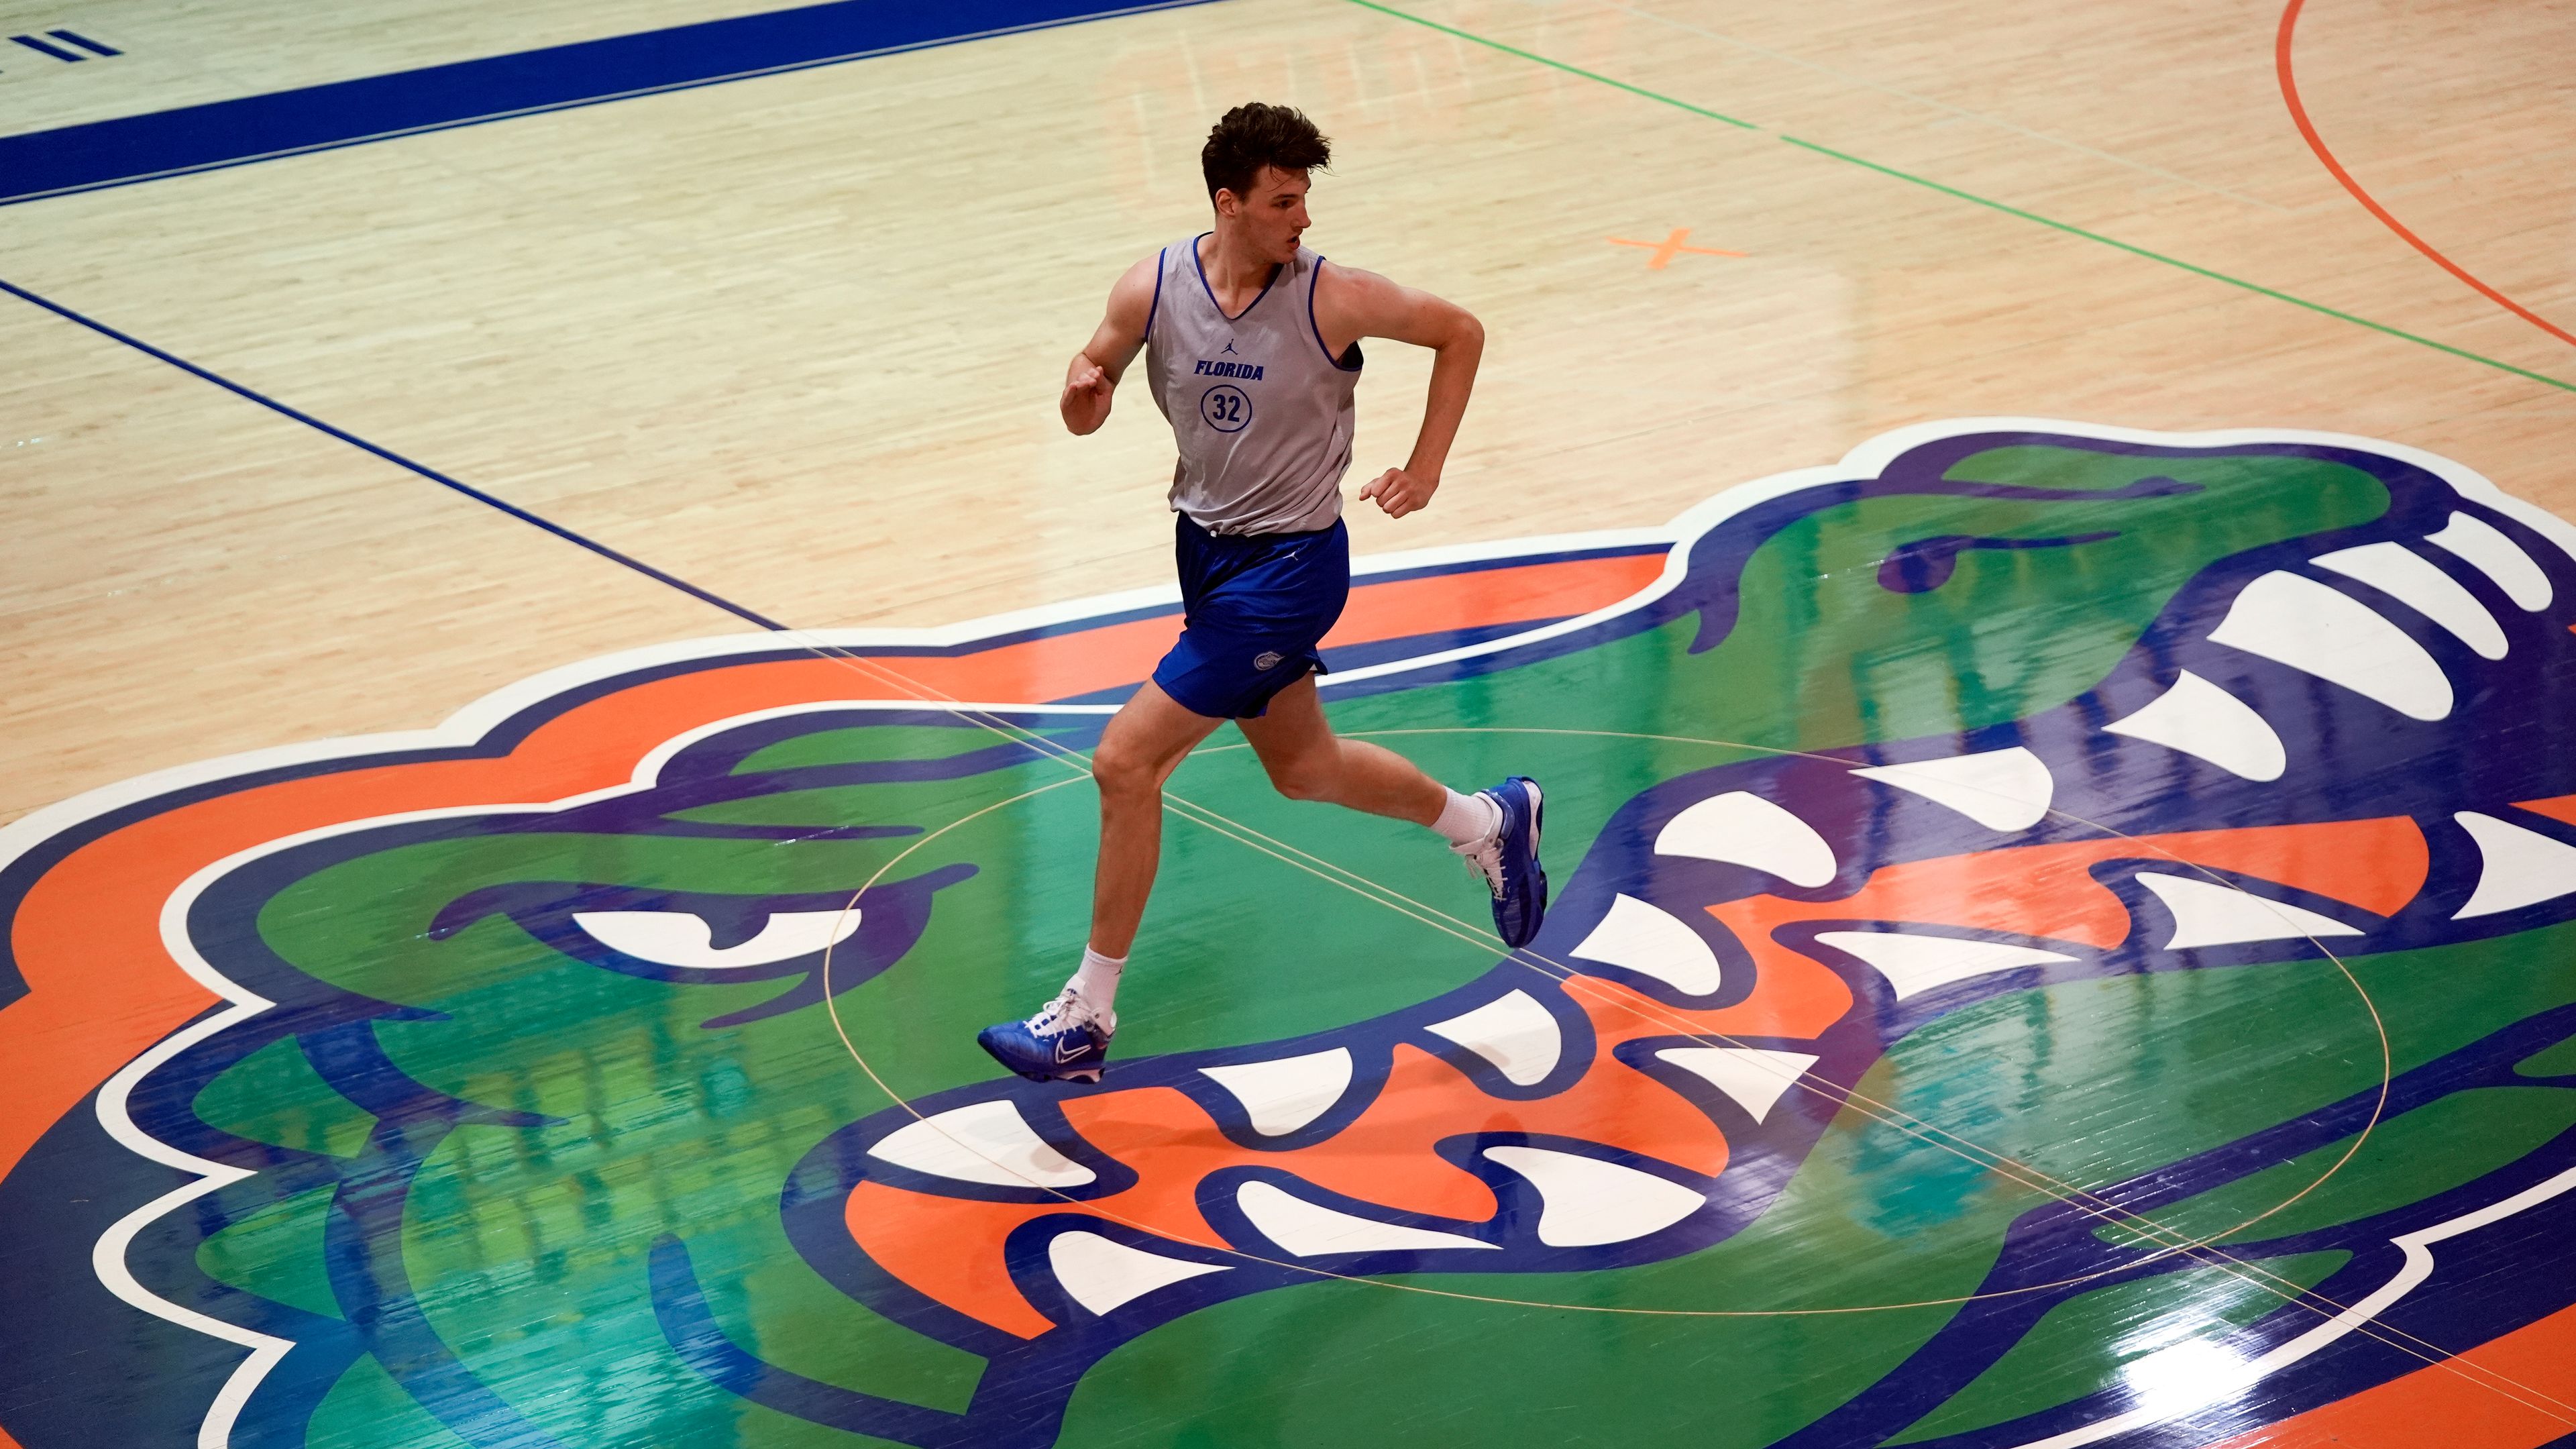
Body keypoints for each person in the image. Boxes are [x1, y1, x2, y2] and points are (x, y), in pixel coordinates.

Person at [977, 103, 1546, 1084]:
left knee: (1123, 764)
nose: (1304, 219)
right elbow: (1088, 395)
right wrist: (1082, 393)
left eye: (1307, 199)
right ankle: (1487, 823)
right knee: (1306, 768)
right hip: (1206, 555)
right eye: (1285, 201)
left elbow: (1461, 331)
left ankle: (1087, 1015)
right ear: (1229, 203)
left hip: (1290, 572)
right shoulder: (1153, 285)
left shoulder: (1336, 297)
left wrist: (1427, 466)